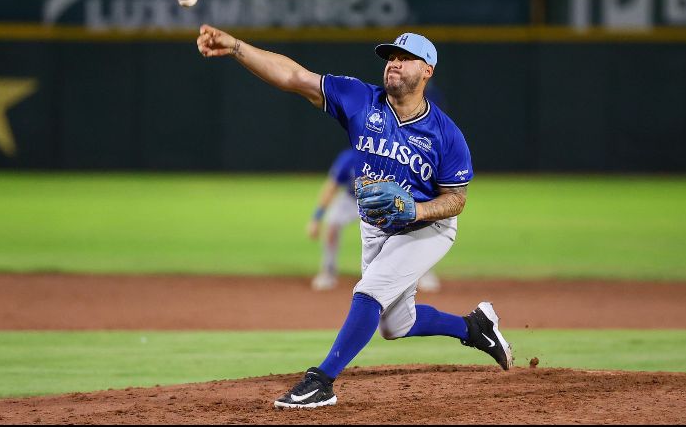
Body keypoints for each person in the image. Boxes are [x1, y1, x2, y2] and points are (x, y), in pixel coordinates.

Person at [196, 27, 513, 409]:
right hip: (377, 225)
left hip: (427, 227)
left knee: (368, 292)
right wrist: (234, 46)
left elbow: (457, 200)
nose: (393, 64)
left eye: (403, 58)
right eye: (390, 58)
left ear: (427, 70)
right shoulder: (360, 99)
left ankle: (321, 380)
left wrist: (415, 209)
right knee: (396, 325)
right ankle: (474, 328)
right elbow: (293, 77)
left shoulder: (446, 135)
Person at [308, 147, 441, 293]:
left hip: (381, 200)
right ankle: (328, 272)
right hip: (351, 200)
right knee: (333, 223)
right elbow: (331, 187)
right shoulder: (348, 159)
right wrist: (316, 218)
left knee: (410, 226)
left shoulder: (388, 157)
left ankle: (422, 273)